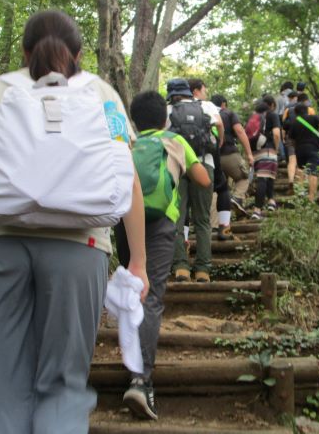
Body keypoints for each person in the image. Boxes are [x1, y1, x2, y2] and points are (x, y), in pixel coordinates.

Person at [0, 9, 149, 434]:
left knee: (7, 385)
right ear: (79, 53)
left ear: (24, 51)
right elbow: (127, 178)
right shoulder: (102, 94)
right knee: (63, 386)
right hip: (79, 245)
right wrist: (138, 263)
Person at [114, 91, 210, 421]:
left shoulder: (127, 143)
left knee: (131, 291)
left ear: (135, 119)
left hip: (124, 221)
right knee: (151, 295)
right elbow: (204, 179)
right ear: (165, 119)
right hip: (160, 223)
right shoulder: (175, 141)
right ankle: (141, 381)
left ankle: (132, 361)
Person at [166, 78, 223, 283]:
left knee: (177, 218)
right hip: (204, 164)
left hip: (177, 167)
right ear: (190, 92)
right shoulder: (206, 106)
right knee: (203, 219)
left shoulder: (169, 110)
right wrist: (216, 146)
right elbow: (220, 126)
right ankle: (203, 270)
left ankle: (181, 267)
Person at [189, 79, 234, 240]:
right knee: (222, 188)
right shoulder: (205, 105)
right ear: (196, 91)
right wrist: (221, 140)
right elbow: (220, 124)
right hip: (206, 154)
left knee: (186, 198)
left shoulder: (177, 106)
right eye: (204, 90)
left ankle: (185, 238)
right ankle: (224, 227)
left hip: (184, 156)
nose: (205, 93)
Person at [211, 94, 254, 215]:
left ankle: (214, 223)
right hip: (229, 154)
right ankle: (237, 197)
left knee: (217, 189)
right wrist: (249, 154)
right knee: (243, 178)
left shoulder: (206, 113)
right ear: (223, 104)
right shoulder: (228, 113)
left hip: (211, 158)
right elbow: (240, 132)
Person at [289, 103, 319, 201]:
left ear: (296, 113)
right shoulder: (314, 118)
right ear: (307, 110)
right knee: (313, 171)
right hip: (313, 148)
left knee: (301, 171)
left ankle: (300, 196)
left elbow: (291, 139)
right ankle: (311, 198)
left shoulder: (294, 122)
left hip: (299, 150)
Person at [250, 95, 281, 219]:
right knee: (263, 179)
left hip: (256, 150)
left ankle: (271, 201)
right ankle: (257, 210)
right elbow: (276, 134)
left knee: (268, 175)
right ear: (272, 105)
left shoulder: (254, 117)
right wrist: (276, 148)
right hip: (268, 149)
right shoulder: (273, 115)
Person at [282, 92, 317, 195]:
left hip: (291, 137)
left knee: (292, 160)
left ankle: (291, 181)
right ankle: (303, 186)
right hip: (305, 139)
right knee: (304, 162)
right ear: (306, 101)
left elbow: (284, 124)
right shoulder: (310, 110)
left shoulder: (288, 110)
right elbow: (314, 124)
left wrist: (284, 137)